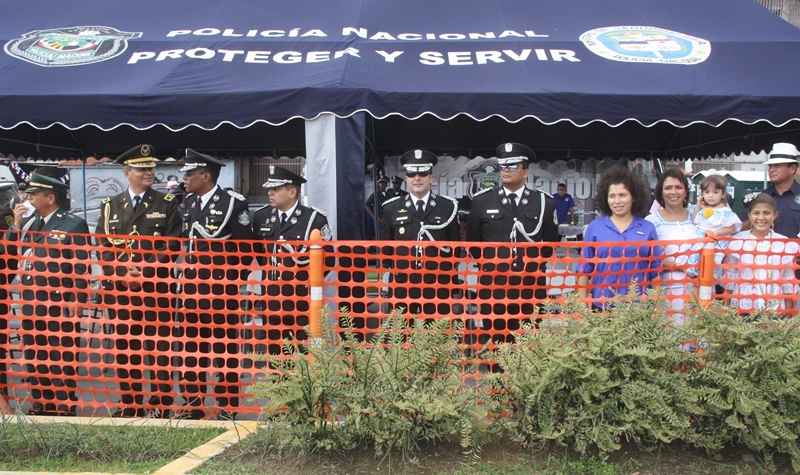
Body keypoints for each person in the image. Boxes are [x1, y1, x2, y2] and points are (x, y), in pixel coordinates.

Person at [94, 144, 182, 417]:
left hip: (155, 288)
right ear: (127, 173)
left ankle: (161, 404)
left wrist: (144, 270)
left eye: (151, 168)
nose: (149, 172)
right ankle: (131, 403)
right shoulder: (110, 205)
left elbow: (172, 244)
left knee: (158, 347)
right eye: (142, 168)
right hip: (120, 290)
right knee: (125, 347)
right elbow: (103, 246)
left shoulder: (166, 203)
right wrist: (122, 272)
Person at [179, 148, 255, 419]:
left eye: (189, 173)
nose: (184, 178)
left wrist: (232, 281)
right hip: (191, 290)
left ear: (206, 176)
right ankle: (193, 404)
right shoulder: (190, 203)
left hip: (221, 290)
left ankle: (226, 405)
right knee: (192, 350)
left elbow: (246, 249)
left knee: (224, 350)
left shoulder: (232, 203)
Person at [7, 168, 89, 415]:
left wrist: (78, 299)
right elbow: (9, 253)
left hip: (59, 303)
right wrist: (16, 225)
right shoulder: (30, 223)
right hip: (32, 303)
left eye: (34, 195)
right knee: (36, 355)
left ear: (50, 197)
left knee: (61, 356)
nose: (28, 199)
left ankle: (64, 405)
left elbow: (82, 266)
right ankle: (41, 404)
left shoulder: (72, 224)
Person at [466, 142, 559, 322]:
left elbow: (550, 245)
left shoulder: (544, 202)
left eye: (513, 166)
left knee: (530, 337)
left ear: (525, 172)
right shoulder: (482, 201)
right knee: (493, 336)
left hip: (530, 286)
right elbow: (474, 244)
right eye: (503, 166)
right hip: (493, 286)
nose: (506, 170)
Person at [251, 165, 331, 354]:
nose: (270, 193)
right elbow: (259, 254)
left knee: (302, 353)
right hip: (271, 298)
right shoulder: (261, 217)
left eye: (276, 189)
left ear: (292, 192)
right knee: (275, 354)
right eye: (269, 189)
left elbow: (327, 263)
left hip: (302, 299)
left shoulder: (314, 219)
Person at [380, 149, 460, 316]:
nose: (417, 178)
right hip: (403, 284)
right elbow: (386, 250)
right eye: (412, 174)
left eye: (423, 173)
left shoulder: (448, 207)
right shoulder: (391, 208)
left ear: (431, 177)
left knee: (437, 332)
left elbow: (455, 250)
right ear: (406, 179)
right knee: (401, 331)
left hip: (438, 285)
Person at [577, 167, 660, 309]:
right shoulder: (595, 227)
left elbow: (655, 271)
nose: (617, 201)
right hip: (603, 305)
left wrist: (657, 307)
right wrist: (582, 305)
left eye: (622, 195)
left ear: (634, 197)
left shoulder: (648, 228)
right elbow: (584, 268)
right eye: (612, 196)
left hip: (639, 307)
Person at [645, 168, 700, 328]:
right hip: (666, 288)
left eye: (678, 187)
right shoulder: (651, 221)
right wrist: (680, 266)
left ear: (686, 191)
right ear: (661, 192)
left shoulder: (698, 214)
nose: (673, 192)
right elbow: (649, 257)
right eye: (668, 188)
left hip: (698, 286)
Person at [725, 194, 797, 317]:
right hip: (743, 306)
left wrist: (788, 316)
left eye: (767, 213)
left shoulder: (784, 243)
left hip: (775, 308)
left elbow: (788, 281)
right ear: (749, 214)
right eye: (756, 213)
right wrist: (727, 314)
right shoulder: (737, 241)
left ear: (775, 215)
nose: (761, 218)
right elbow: (730, 278)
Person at [743, 143, 800, 239]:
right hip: (766, 248)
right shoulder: (762, 197)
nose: (771, 170)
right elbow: (741, 225)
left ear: (792, 169)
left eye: (777, 166)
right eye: (770, 166)